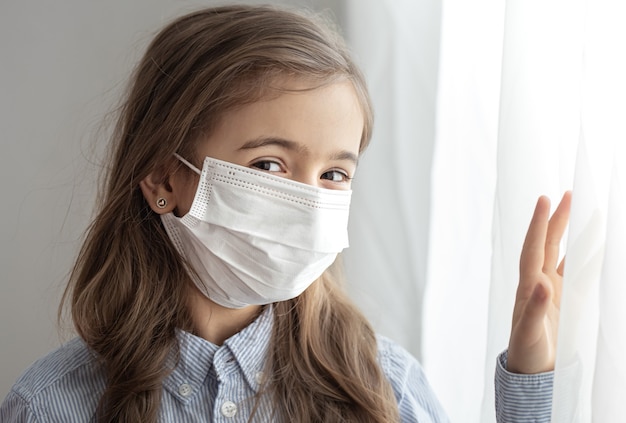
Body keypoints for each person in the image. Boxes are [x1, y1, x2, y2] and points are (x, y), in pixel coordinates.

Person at [0, 5, 570, 422]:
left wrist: (528, 372)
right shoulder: (53, 404)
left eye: (334, 175)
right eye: (271, 165)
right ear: (162, 177)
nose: (309, 203)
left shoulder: (381, 387)